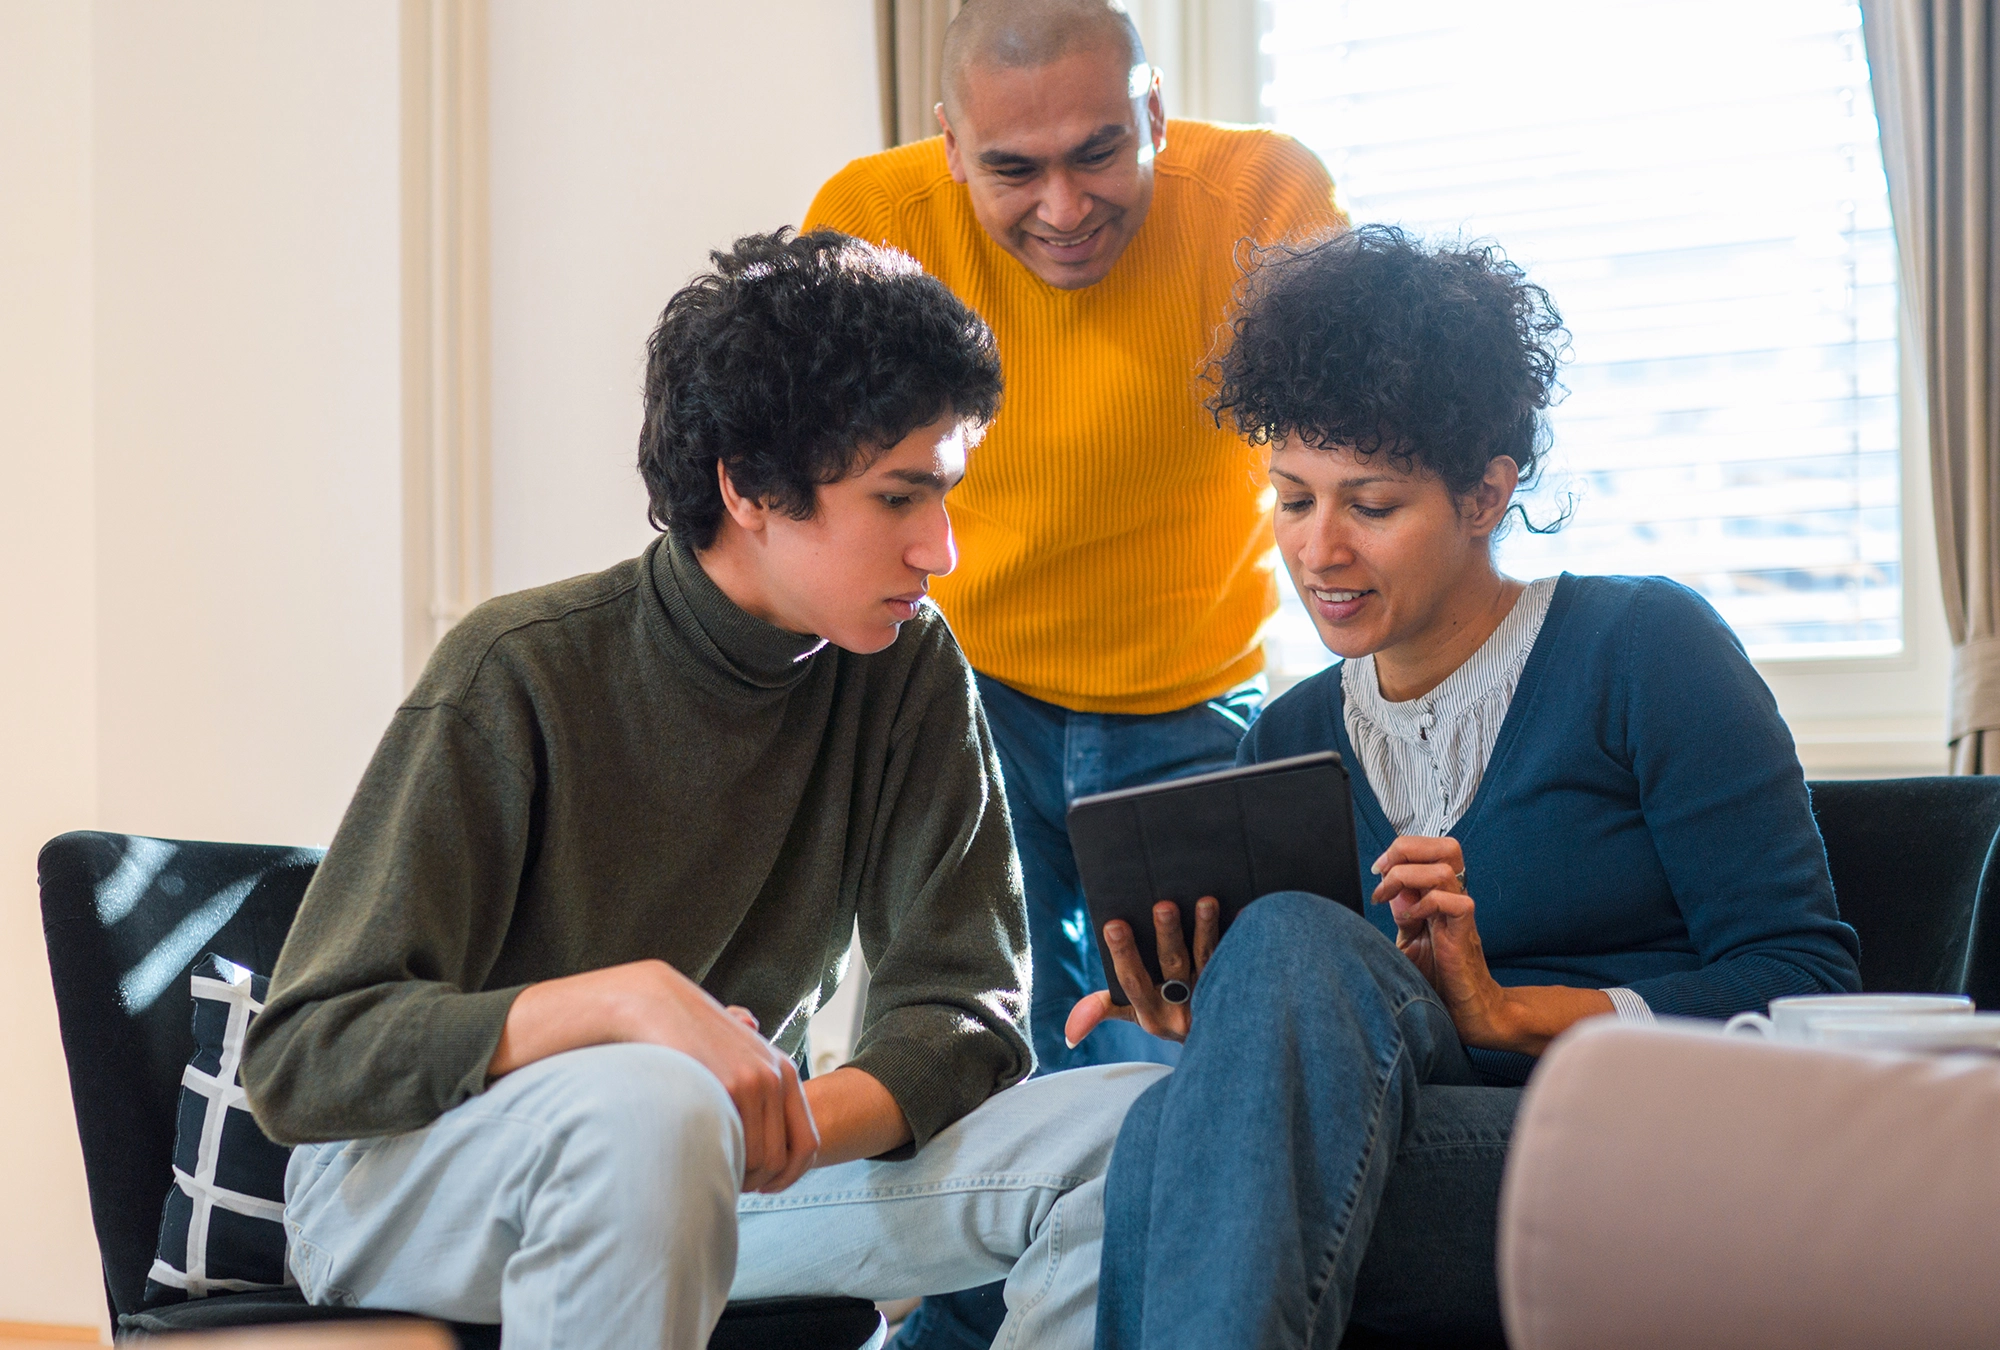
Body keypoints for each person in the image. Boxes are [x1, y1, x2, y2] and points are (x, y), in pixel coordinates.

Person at [239, 228, 1166, 1350]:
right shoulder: (520, 668)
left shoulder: (908, 667)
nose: (941, 550)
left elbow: (963, 1011)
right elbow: (305, 1058)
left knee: (1139, 1130)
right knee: (652, 1103)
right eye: (897, 499)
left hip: (716, 1158)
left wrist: (780, 1127)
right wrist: (626, 1006)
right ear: (750, 487)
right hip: (403, 1183)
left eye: (947, 495)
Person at [1067, 225, 1866, 1348]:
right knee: (1182, 1108)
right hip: (1402, 1140)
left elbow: (1807, 985)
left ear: (1486, 494)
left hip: (1633, 1145)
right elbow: (1306, 1068)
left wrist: (1501, 1011)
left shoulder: (1640, 648)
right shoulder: (1292, 736)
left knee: (1176, 1148)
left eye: (1371, 505)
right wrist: (1210, 1013)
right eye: (1292, 500)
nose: (1318, 550)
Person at [804, 0, 1346, 1080]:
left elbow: (1362, 450)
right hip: (962, 696)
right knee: (959, 1060)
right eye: (1013, 170)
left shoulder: (1263, 197)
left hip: (1186, 700)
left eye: (1098, 152)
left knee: (1192, 1061)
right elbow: (819, 484)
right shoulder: (874, 215)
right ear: (949, 147)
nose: (1063, 207)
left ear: (1152, 109)